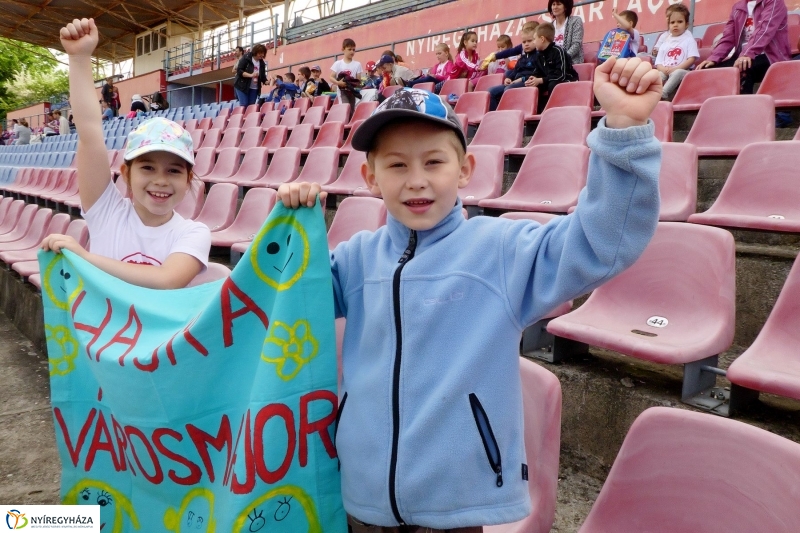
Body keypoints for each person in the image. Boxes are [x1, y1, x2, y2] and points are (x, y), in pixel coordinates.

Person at [276, 54, 662, 531]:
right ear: (370, 179)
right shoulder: (355, 258)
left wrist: (623, 129)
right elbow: (286, 296)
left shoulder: (499, 250)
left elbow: (601, 243)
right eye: (396, 165)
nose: (416, 179)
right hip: (362, 495)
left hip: (457, 503)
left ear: (465, 170)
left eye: (434, 161)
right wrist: (294, 225)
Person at [42, 18, 210, 290]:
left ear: (189, 179)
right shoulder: (107, 212)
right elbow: (89, 132)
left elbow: (167, 280)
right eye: (147, 167)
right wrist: (80, 58)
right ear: (126, 173)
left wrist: (86, 259)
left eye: (174, 170)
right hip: (101, 332)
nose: (161, 180)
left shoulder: (193, 233)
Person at [695, 0, 791, 94]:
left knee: (744, 68)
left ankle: (744, 108)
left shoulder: (774, 2)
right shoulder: (738, 7)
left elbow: (765, 30)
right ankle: (712, 108)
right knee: (707, 70)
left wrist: (747, 53)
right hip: (742, 56)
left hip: (769, 56)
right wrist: (713, 58)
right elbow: (728, 37)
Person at [529, 23, 579, 112]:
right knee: (534, 86)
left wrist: (541, 80)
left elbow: (560, 75)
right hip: (549, 80)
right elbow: (537, 70)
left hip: (567, 79)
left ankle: (552, 111)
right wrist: (533, 78)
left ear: (542, 39)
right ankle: (536, 114)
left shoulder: (558, 51)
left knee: (553, 84)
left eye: (534, 39)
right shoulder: (539, 55)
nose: (533, 42)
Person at [654, 3, 699, 101]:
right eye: (672, 22)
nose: (675, 25)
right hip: (666, 70)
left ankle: (663, 93)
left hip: (684, 71)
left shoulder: (689, 40)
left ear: (686, 24)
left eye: (680, 22)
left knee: (677, 73)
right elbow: (658, 63)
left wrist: (676, 68)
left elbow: (691, 59)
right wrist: (663, 69)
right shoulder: (665, 42)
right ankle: (653, 93)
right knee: (657, 74)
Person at [488, 27, 539, 111]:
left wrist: (521, 79)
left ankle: (508, 116)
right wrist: (509, 78)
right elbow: (515, 70)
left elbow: (536, 73)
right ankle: (496, 117)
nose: (526, 44)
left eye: (529, 41)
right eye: (524, 42)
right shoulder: (522, 57)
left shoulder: (538, 56)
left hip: (527, 82)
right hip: (515, 82)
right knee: (490, 91)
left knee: (509, 89)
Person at [330, 38, 364, 113]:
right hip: (342, 91)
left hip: (352, 91)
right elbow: (331, 77)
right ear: (343, 49)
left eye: (353, 49)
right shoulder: (338, 63)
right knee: (345, 109)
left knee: (351, 110)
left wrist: (356, 83)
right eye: (349, 49)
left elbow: (359, 80)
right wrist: (338, 83)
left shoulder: (357, 64)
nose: (352, 51)